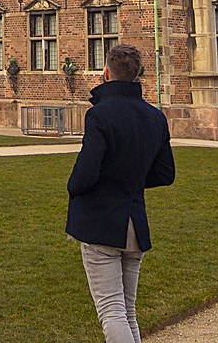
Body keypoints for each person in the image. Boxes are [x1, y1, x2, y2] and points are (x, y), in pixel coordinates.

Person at [66, 43, 175, 343]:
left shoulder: (100, 115)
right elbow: (166, 173)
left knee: (111, 311)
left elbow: (84, 175)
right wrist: (132, 180)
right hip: (134, 224)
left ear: (106, 73)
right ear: (138, 74)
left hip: (102, 224)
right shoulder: (155, 117)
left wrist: (74, 187)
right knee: (127, 311)